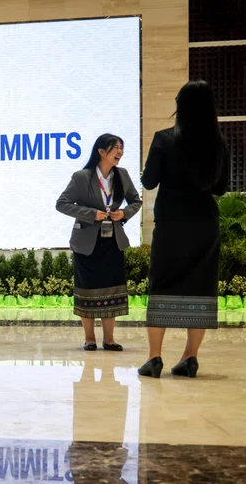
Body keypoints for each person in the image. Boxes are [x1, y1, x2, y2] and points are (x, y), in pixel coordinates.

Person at [138, 80, 229, 378]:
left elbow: (149, 182)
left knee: (161, 283)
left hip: (172, 225)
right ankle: (190, 357)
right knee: (201, 287)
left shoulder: (164, 139)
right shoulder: (219, 143)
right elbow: (221, 189)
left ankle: (154, 358)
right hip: (205, 223)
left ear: (181, 106)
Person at [57, 134, 142, 351]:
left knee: (111, 291)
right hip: (87, 242)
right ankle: (89, 339)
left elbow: (135, 201)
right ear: (101, 152)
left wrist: (123, 213)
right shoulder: (82, 177)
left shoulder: (121, 175)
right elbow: (62, 204)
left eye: (121, 148)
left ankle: (109, 339)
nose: (120, 152)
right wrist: (90, 214)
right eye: (115, 148)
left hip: (113, 241)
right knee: (87, 290)